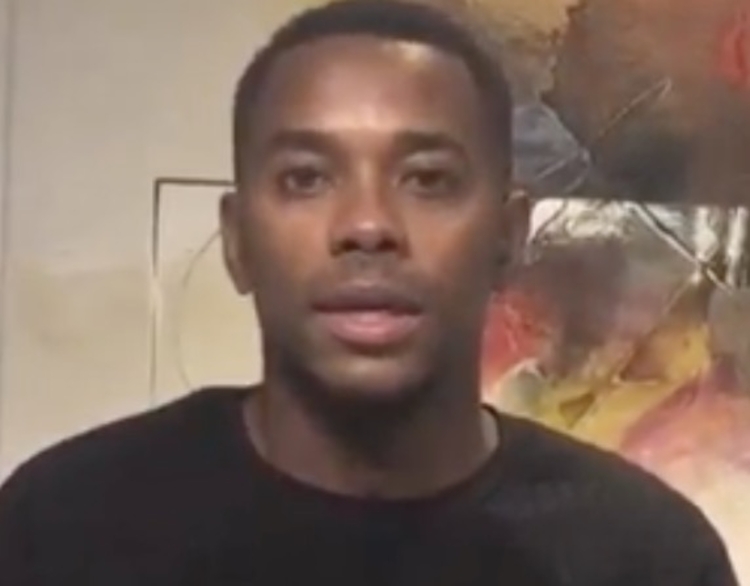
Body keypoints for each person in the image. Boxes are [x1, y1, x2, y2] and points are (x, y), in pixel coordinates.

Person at [0, 1, 738, 584]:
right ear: (237, 240)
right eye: (306, 178)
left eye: (427, 179)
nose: (367, 225)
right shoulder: (64, 529)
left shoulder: (646, 558)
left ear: (507, 237)